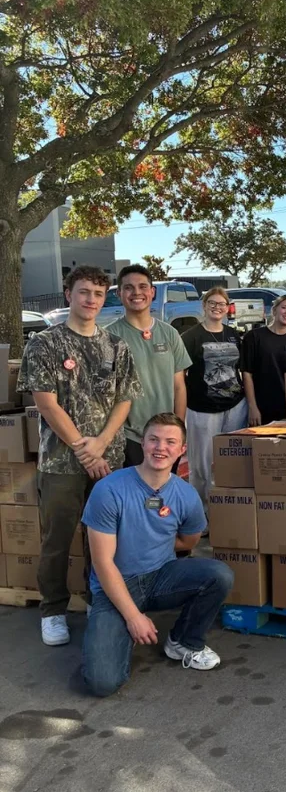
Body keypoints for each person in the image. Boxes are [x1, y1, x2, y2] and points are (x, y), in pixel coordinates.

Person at [17, 266, 141, 647]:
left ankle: (97, 600)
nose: (91, 300)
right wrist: (85, 453)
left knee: (102, 539)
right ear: (68, 293)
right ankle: (53, 609)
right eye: (84, 292)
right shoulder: (44, 344)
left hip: (110, 460)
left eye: (99, 294)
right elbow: (47, 404)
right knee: (57, 539)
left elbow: (125, 399)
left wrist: (102, 443)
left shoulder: (116, 345)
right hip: (61, 464)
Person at [81, 413, 233, 696]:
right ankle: (110, 624)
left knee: (218, 574)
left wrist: (154, 543)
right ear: (143, 443)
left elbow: (188, 540)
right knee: (102, 682)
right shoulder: (109, 490)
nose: (160, 448)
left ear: (181, 449)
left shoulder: (186, 495)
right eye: (153, 439)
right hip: (115, 585)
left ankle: (183, 642)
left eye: (170, 442)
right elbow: (102, 562)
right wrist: (132, 617)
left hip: (161, 577)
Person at [107, 264, 192, 467]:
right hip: (129, 437)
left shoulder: (169, 333)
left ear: (152, 292)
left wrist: (178, 430)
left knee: (163, 497)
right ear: (119, 293)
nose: (137, 292)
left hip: (165, 436)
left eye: (143, 286)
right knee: (133, 496)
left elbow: (179, 386)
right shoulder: (108, 337)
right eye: (128, 287)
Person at [181, 287, 248, 513]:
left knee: (228, 463)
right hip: (203, 408)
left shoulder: (232, 335)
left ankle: (224, 513)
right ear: (204, 306)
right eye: (212, 303)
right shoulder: (191, 337)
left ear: (227, 308)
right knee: (201, 465)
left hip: (235, 407)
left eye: (221, 304)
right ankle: (201, 515)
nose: (217, 307)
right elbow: (180, 375)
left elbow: (240, 369)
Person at [240, 294, 286, 425]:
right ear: (274, 310)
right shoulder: (254, 337)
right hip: (261, 408)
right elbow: (247, 373)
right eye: (284, 308)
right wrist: (252, 407)